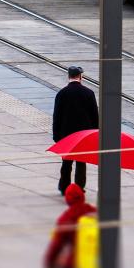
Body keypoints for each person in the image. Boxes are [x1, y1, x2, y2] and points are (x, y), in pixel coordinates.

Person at [52, 66, 98, 195]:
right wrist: (95, 133)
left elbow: (57, 116)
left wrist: (56, 135)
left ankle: (64, 187)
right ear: (81, 77)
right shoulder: (88, 93)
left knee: (66, 162)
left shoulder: (62, 93)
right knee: (81, 163)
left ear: (69, 76)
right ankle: (79, 187)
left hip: (66, 134)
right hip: (84, 135)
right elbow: (95, 115)